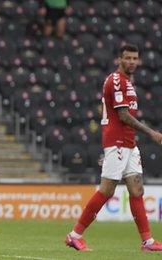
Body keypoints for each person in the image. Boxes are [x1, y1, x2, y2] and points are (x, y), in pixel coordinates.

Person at [65, 44, 162, 252]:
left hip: (129, 143)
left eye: (135, 59)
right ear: (119, 59)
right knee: (107, 190)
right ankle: (74, 235)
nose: (132, 62)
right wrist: (151, 133)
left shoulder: (128, 82)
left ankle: (147, 241)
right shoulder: (117, 81)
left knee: (137, 189)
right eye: (128, 58)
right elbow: (123, 115)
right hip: (117, 142)